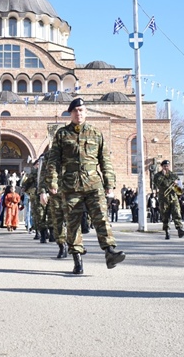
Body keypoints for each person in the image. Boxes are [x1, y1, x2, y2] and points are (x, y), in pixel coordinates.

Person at [42, 98, 125, 274]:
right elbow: (53, 161)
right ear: (70, 114)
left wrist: (109, 183)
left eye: (81, 110)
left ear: (86, 112)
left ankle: (110, 252)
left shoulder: (96, 133)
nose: (78, 113)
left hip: (94, 183)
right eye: (75, 111)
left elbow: (105, 160)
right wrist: (52, 182)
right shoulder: (62, 134)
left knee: (101, 217)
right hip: (70, 185)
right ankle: (77, 259)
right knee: (73, 223)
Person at [152, 160, 184, 240]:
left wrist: (177, 185)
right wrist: (164, 176)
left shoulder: (173, 175)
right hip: (164, 198)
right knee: (165, 215)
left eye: (167, 166)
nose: (166, 167)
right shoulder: (158, 175)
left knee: (177, 212)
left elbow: (179, 187)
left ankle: (180, 230)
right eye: (164, 166)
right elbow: (158, 184)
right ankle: (167, 231)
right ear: (162, 167)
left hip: (173, 197)